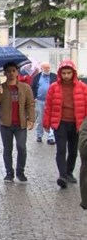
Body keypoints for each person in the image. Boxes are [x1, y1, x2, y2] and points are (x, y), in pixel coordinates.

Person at [42, 60, 87, 189]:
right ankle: (62, 175)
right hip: (60, 123)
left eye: (69, 73)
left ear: (73, 73)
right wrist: (46, 122)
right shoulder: (54, 87)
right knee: (61, 150)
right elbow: (48, 106)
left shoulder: (83, 87)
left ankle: (69, 172)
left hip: (77, 123)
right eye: (64, 73)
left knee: (73, 151)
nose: (66, 75)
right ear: (60, 74)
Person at [0, 62, 35, 183]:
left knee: (21, 147)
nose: (11, 73)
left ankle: (21, 172)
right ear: (5, 73)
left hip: (21, 124)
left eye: (13, 71)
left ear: (17, 72)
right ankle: (9, 172)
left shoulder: (25, 88)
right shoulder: (0, 88)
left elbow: (30, 104)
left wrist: (31, 119)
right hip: (6, 124)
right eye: (8, 71)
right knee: (7, 149)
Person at [32, 62, 57, 144]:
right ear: (42, 68)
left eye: (48, 67)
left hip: (52, 101)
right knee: (40, 119)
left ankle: (51, 137)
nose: (47, 69)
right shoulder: (37, 77)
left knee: (52, 118)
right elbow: (32, 87)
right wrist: (34, 97)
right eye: (45, 68)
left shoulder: (54, 76)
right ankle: (39, 135)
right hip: (40, 101)